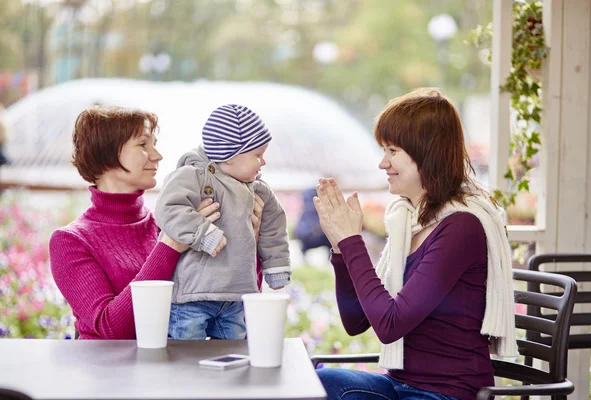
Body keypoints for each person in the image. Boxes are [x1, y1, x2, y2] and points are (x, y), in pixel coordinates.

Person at [313, 88, 517, 400]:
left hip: (445, 393)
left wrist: (352, 241)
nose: (383, 163)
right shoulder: (409, 220)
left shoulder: (461, 227)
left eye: (392, 150)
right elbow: (356, 322)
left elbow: (390, 324)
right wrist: (341, 249)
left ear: (425, 152)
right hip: (400, 386)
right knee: (317, 383)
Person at [49, 106, 264, 340]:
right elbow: (111, 329)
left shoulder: (174, 222)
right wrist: (170, 245)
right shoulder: (70, 241)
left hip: (170, 371)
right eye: (143, 145)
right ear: (105, 153)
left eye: (154, 143)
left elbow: (231, 308)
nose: (157, 155)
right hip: (106, 374)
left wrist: (248, 241)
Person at [155, 104, 291, 341]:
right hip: (193, 295)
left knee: (235, 357)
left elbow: (274, 227)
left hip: (235, 297)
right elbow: (169, 208)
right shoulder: (194, 176)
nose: (263, 162)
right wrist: (203, 232)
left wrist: (276, 265)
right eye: (257, 155)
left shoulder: (258, 189)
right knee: (187, 358)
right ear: (229, 156)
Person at [294, 187, 331, 255]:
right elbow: (298, 232)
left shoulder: (319, 210)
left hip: (318, 237)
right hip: (308, 238)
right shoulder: (307, 212)